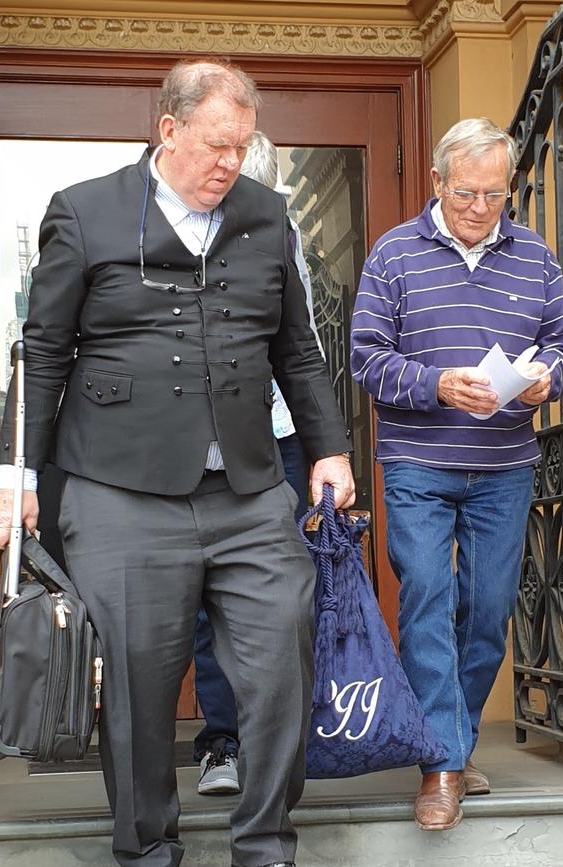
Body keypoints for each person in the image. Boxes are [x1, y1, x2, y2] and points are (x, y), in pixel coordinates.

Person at [0, 58, 355, 867]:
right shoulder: (85, 212)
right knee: (135, 691)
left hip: (250, 489)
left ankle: (265, 845)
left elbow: (297, 350)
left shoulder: (266, 214)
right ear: (169, 130)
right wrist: (15, 475)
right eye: (215, 146)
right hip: (120, 490)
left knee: (281, 662)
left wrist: (330, 447)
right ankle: (149, 850)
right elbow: (42, 351)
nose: (229, 163)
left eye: (242, 146)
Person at [351, 117, 563, 832]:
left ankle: (448, 734)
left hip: (505, 465)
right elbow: (365, 358)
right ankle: (443, 765)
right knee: (425, 599)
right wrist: (438, 384)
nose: (481, 208)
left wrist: (548, 380)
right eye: (466, 193)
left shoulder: (536, 256)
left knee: (486, 614)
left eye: (494, 194)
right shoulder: (393, 254)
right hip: (418, 462)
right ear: (437, 183)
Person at [192, 129, 323, 796]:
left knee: (279, 601)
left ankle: (278, 749)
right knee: (202, 601)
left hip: (275, 441)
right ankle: (222, 742)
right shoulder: (166, 235)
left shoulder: (286, 240)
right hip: (188, 449)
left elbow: (306, 352)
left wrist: (325, 447)